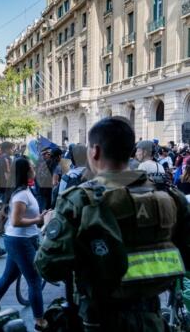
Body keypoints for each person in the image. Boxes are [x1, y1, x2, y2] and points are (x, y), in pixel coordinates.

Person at [35, 117, 190, 332]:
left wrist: (50, 226)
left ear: (95, 151)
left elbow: (48, 267)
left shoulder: (79, 200)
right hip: (152, 321)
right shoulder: (171, 197)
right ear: (131, 150)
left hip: (97, 322)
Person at [0, 157, 49, 331]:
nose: (34, 168)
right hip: (20, 241)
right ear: (25, 172)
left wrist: (39, 217)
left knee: (8, 277)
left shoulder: (24, 190)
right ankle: (39, 320)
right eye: (31, 166)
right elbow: (16, 221)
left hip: (21, 240)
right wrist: (38, 219)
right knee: (34, 279)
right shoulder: (21, 194)